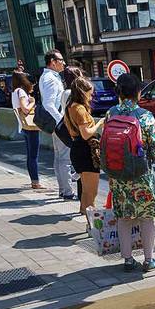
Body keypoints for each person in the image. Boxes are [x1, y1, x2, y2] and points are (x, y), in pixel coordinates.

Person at [107, 74, 155, 273]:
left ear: (119, 93)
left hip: (118, 175)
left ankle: (128, 260)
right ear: (138, 92)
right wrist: (147, 160)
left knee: (123, 218)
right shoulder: (144, 115)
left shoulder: (111, 113)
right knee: (146, 217)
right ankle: (149, 260)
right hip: (141, 174)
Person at [64, 75, 104, 227]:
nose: (91, 95)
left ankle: (85, 213)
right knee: (91, 192)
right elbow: (86, 133)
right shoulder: (79, 109)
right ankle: (92, 225)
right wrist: (99, 123)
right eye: (90, 92)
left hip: (77, 148)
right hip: (86, 150)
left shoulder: (70, 107)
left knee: (86, 189)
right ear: (82, 92)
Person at [39, 50, 76, 200]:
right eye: (61, 60)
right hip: (58, 124)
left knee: (59, 157)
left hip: (55, 124)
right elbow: (48, 103)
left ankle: (63, 190)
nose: (64, 63)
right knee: (65, 158)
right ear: (53, 62)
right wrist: (62, 121)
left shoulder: (48, 76)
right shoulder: (50, 78)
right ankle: (67, 191)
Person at [11, 71, 43, 190]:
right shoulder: (21, 92)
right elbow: (25, 109)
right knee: (33, 156)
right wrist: (33, 102)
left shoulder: (15, 91)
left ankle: (34, 181)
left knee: (30, 155)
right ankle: (35, 182)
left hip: (23, 126)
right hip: (30, 126)